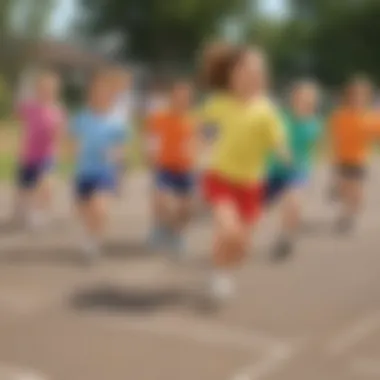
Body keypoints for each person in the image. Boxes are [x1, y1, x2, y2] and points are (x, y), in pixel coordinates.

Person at [198, 43, 288, 301]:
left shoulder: (267, 110)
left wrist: (283, 152)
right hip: (221, 177)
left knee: (242, 245)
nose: (251, 74)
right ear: (231, 74)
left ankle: (223, 265)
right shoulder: (217, 104)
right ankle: (219, 274)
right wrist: (198, 149)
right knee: (229, 229)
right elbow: (208, 133)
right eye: (244, 68)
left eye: (257, 70)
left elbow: (277, 139)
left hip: (251, 184)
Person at [70, 71, 126, 261]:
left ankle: (94, 241)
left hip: (105, 171)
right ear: (90, 95)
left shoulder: (116, 121)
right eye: (95, 93)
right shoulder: (81, 118)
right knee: (84, 210)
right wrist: (74, 151)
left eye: (103, 93)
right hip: (84, 171)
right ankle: (91, 234)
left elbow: (120, 150)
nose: (99, 96)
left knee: (100, 208)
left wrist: (116, 163)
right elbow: (72, 143)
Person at [265, 80, 322, 261]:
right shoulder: (282, 118)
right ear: (293, 99)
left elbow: (312, 147)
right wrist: (282, 152)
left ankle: (286, 237)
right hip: (273, 170)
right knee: (256, 209)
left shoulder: (314, 124)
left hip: (297, 171)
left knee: (294, 203)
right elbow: (275, 140)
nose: (304, 102)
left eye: (308, 100)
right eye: (300, 98)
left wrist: (303, 162)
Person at [145, 79, 196, 259]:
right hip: (165, 167)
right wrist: (151, 155)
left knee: (187, 209)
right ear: (172, 97)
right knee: (162, 200)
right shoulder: (159, 117)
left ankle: (177, 233)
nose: (181, 100)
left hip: (186, 168)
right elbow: (152, 139)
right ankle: (161, 228)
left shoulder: (194, 120)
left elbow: (202, 143)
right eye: (178, 96)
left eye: (185, 97)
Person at [13, 69, 65, 230]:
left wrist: (57, 140)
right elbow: (17, 115)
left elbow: (59, 133)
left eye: (49, 89)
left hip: (47, 155)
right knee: (24, 188)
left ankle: (40, 212)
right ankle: (22, 210)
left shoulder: (57, 111)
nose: (46, 92)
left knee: (46, 185)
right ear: (37, 90)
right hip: (28, 154)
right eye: (42, 89)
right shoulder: (29, 107)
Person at [329, 76, 379, 233]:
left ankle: (349, 214)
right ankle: (345, 203)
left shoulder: (370, 117)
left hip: (360, 160)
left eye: (361, 96)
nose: (357, 99)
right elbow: (335, 137)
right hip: (343, 158)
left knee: (357, 192)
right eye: (354, 95)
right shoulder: (340, 115)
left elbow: (376, 135)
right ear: (348, 97)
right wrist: (333, 156)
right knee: (345, 189)